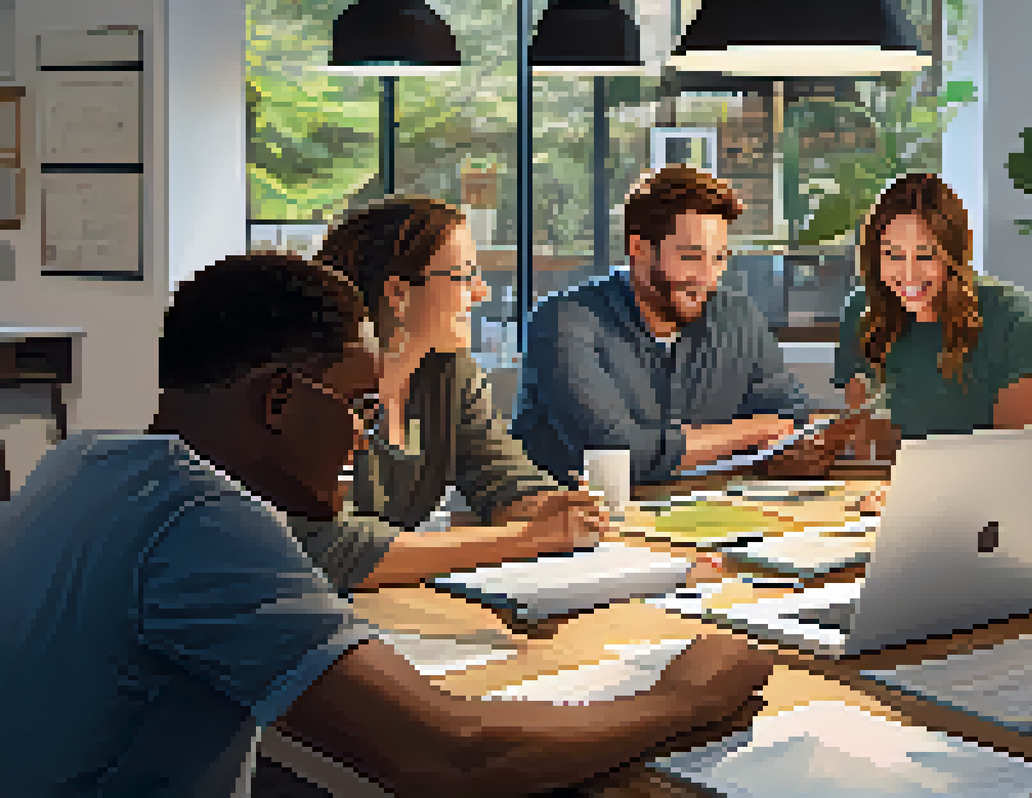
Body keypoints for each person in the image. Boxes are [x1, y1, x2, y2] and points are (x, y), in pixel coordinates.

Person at [0, 253, 773, 796]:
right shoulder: (206, 519)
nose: (365, 437)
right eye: (357, 407)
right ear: (278, 402)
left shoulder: (82, 461)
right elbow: (449, 758)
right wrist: (686, 700)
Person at [306, 196, 604, 592]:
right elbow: (333, 550)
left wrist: (551, 507)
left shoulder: (449, 372)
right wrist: (527, 538)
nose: (481, 292)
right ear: (398, 293)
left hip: (392, 606)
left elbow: (503, 480)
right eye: (464, 277)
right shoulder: (315, 392)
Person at [515, 165, 845, 488]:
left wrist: (805, 444)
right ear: (639, 250)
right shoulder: (563, 321)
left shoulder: (738, 316)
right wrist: (755, 431)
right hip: (571, 528)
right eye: (691, 257)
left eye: (719, 258)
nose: (708, 277)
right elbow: (616, 454)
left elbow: (793, 415)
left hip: (706, 519)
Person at [833, 173, 1032, 513]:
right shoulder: (862, 311)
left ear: (954, 254)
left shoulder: (1014, 318)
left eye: (925, 255)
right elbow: (867, 443)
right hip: (889, 505)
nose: (908, 275)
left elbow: (1011, 457)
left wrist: (922, 495)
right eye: (892, 254)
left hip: (985, 505)